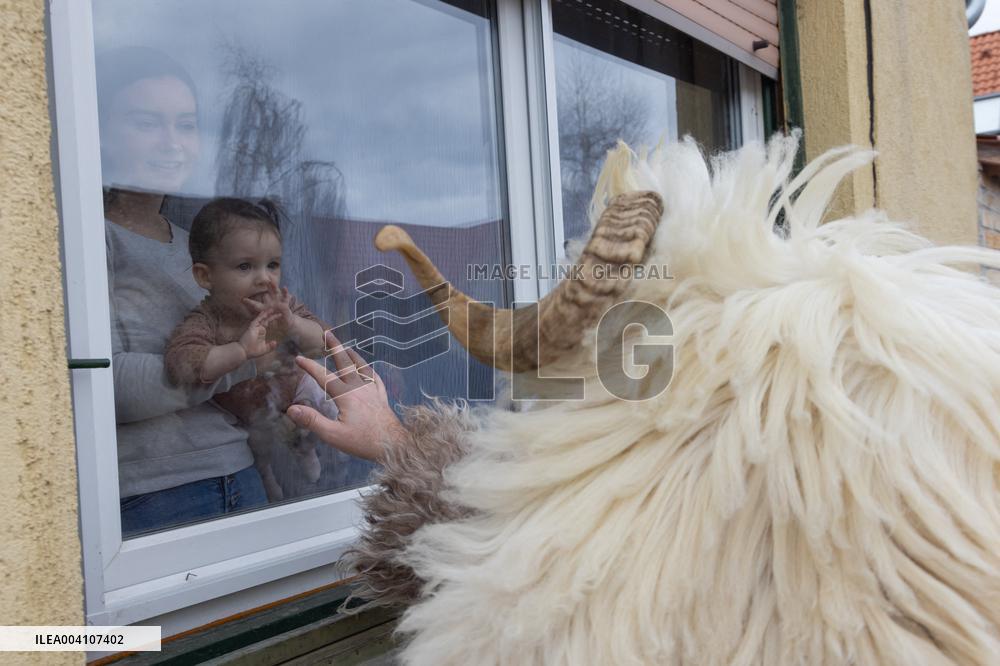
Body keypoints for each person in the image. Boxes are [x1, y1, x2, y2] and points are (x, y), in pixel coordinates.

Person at [98, 47, 269, 536]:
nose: (172, 142)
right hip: (154, 491)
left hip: (238, 468)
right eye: (147, 122)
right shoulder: (91, 240)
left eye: (187, 125)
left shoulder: (192, 245)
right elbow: (110, 388)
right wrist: (243, 361)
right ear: (103, 135)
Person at [164, 197, 327, 501]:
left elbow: (322, 340)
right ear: (205, 276)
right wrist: (239, 351)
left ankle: (313, 446)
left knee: (323, 388)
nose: (264, 278)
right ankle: (269, 478)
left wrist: (293, 325)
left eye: (272, 265)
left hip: (293, 389)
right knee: (259, 446)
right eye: (244, 266)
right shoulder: (207, 318)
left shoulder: (282, 304)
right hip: (251, 414)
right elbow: (184, 363)